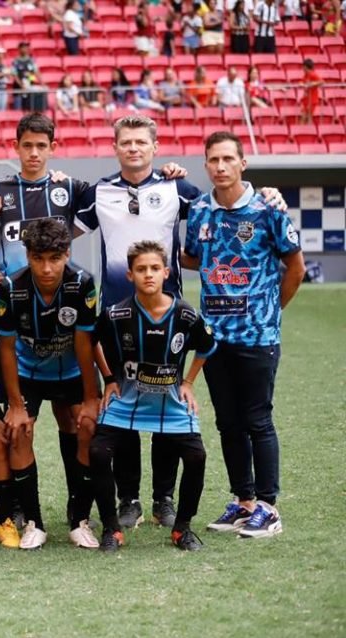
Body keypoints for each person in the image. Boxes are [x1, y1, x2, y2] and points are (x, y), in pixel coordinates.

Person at [74, 115, 285, 531]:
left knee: (166, 405)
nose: (133, 148)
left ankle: (163, 498)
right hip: (118, 319)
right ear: (114, 148)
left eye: (141, 142)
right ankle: (129, 497)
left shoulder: (179, 190)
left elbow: (225, 198)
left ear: (155, 148)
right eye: (126, 142)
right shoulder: (99, 192)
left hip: (169, 319)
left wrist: (269, 193)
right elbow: (61, 231)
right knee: (124, 410)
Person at [182, 131, 305, 539]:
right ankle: (244, 501)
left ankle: (268, 507)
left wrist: (269, 313)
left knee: (257, 420)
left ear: (242, 163)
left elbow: (296, 268)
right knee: (228, 423)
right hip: (214, 337)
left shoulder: (268, 209)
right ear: (206, 165)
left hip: (257, 338)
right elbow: (198, 259)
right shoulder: (199, 210)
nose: (220, 167)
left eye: (227, 159)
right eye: (213, 160)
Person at [93, 240, 217, 552]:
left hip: (171, 402)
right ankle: (111, 528)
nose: (148, 275)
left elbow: (206, 347)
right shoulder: (115, 314)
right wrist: (109, 378)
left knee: (196, 456)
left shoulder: (185, 315)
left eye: (154, 269)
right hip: (126, 401)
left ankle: (182, 528)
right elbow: (91, 341)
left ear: (166, 272)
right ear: (130, 276)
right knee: (98, 453)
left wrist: (188, 381)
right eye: (140, 269)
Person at [0, 219, 100, 549]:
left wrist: (91, 398)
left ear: (67, 254)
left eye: (55, 258)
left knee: (85, 428)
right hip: (27, 373)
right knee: (18, 432)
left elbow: (85, 346)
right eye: (38, 258)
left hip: (71, 371)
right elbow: (7, 349)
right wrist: (14, 404)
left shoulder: (82, 283)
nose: (47, 267)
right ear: (27, 255)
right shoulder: (11, 288)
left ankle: (79, 518)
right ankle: (34, 522)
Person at [300, 58, 322, 124]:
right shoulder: (306, 75)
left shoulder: (313, 74)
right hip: (306, 98)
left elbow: (321, 81)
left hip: (312, 99)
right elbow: (302, 82)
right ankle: (300, 132)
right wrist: (301, 84)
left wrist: (313, 84)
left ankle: (309, 132)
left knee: (308, 117)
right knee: (304, 116)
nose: (302, 68)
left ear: (305, 67)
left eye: (303, 66)